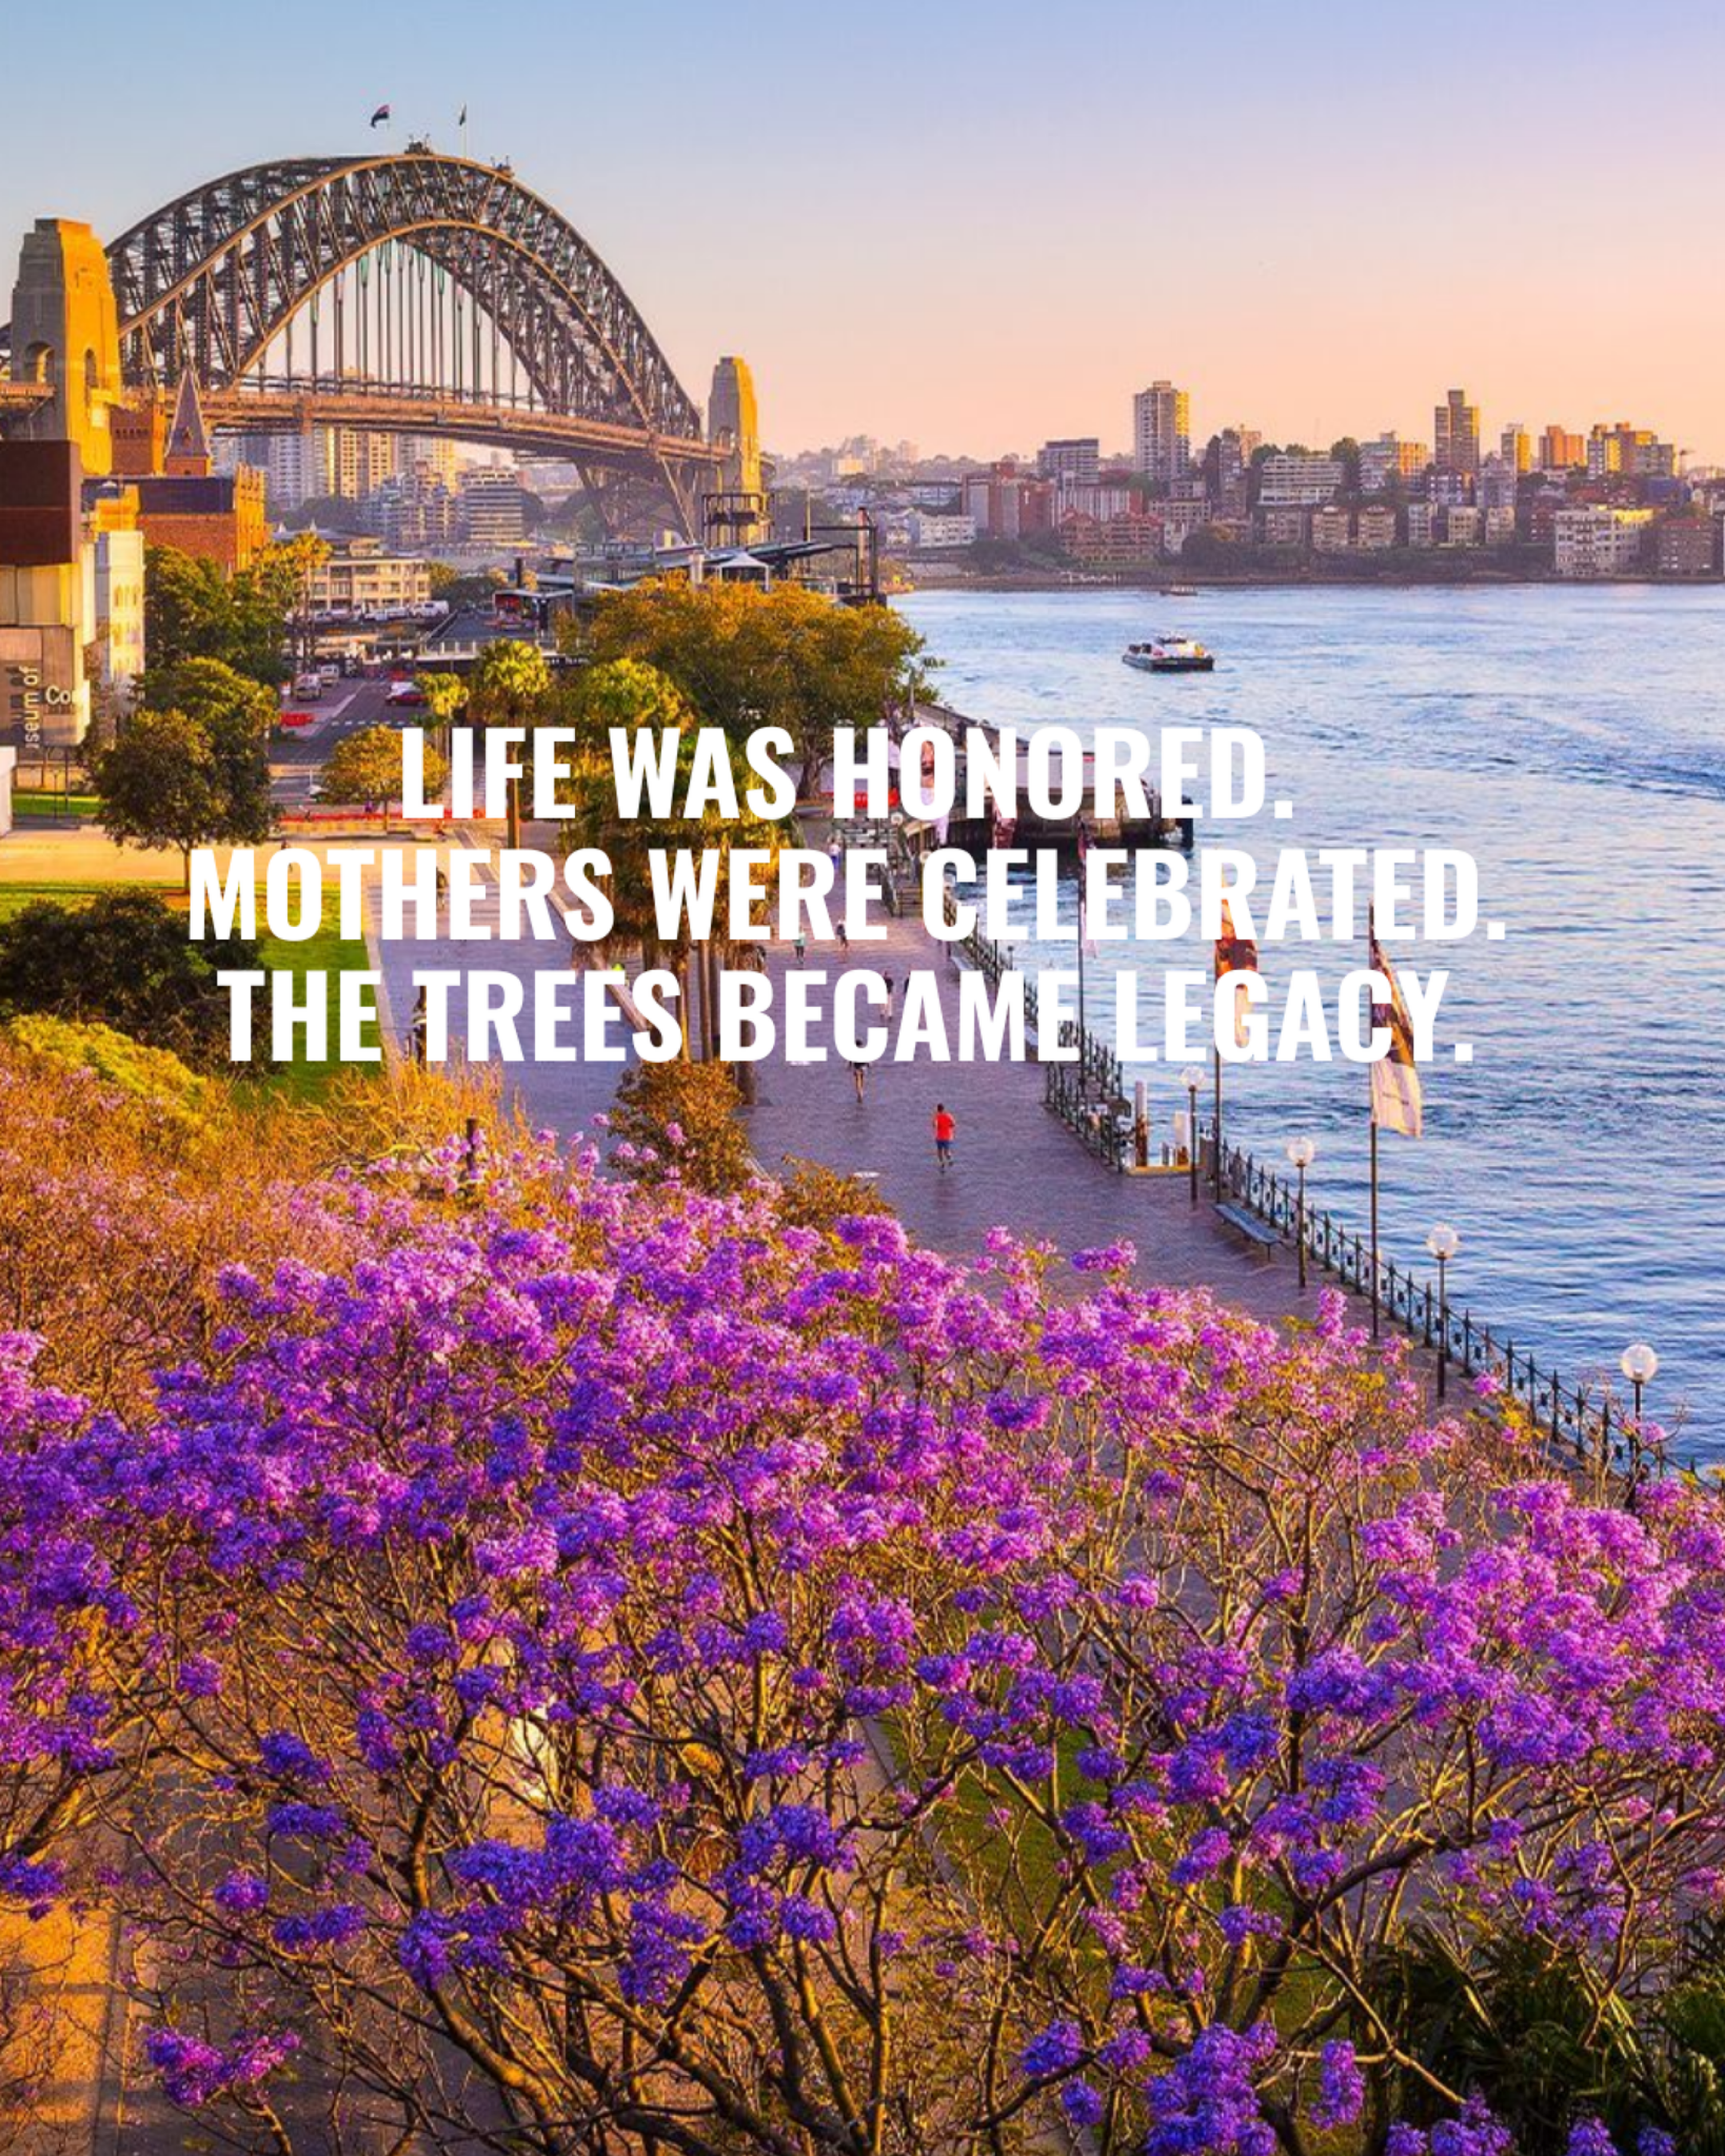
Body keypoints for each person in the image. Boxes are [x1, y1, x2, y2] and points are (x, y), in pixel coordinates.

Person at [932, 1101, 955, 1171]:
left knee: (939, 1152)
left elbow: (934, 1126)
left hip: (939, 1137)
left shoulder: (937, 1117)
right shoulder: (948, 1115)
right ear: (943, 1109)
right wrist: (948, 1127)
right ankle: (950, 1160)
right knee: (946, 1152)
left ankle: (942, 1164)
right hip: (948, 1137)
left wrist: (935, 1119)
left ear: (937, 1110)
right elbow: (953, 1124)